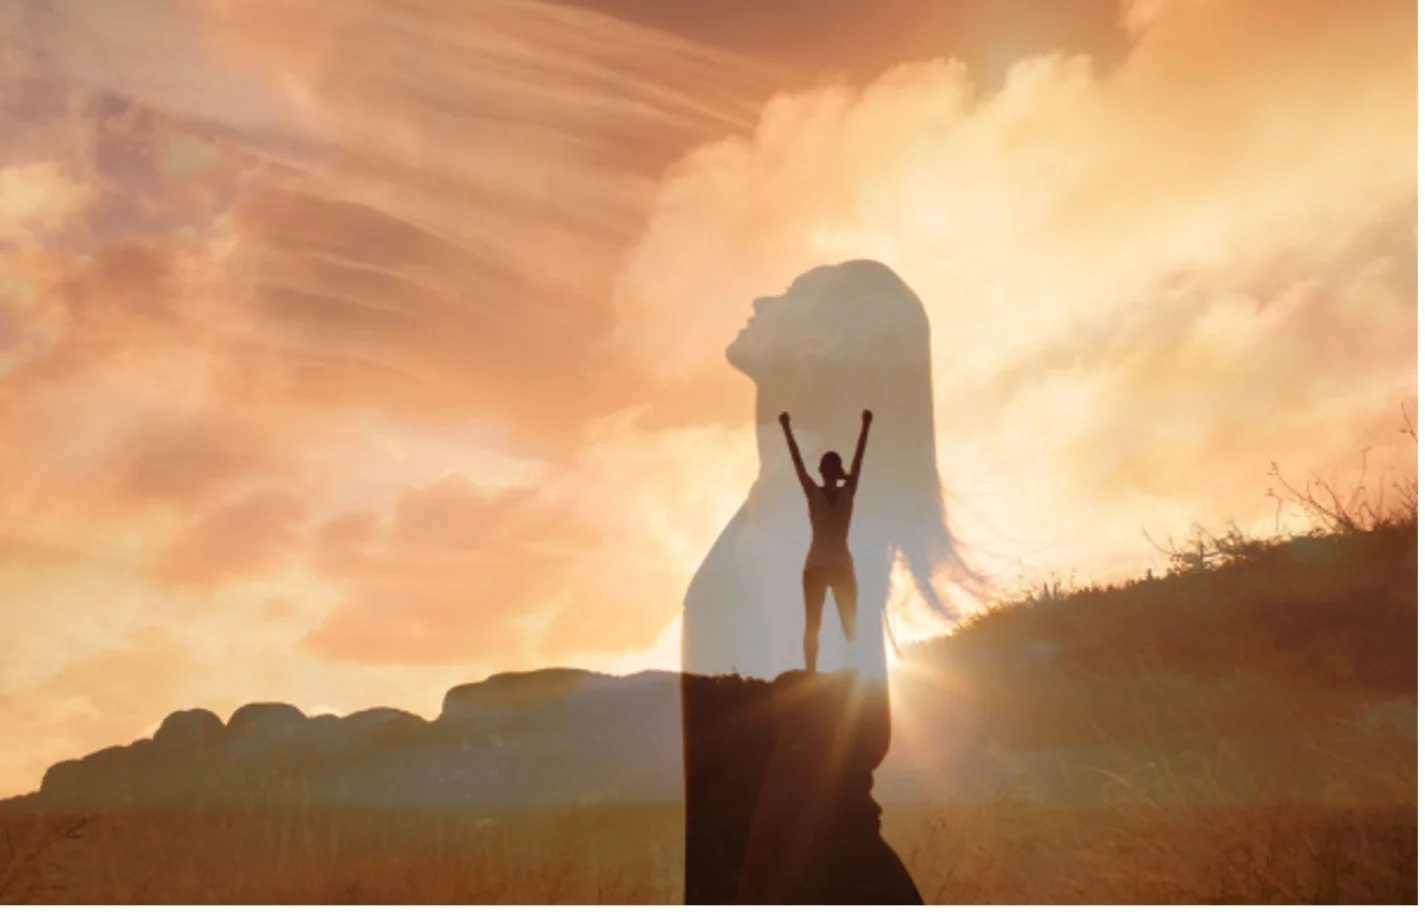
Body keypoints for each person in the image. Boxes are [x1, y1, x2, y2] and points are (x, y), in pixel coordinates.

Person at [778, 408, 872, 673]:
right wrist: (866, 426)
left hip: (815, 566)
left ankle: (810, 673)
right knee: (849, 623)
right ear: (837, 470)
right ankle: (854, 671)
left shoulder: (814, 492)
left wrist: (786, 428)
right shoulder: (847, 492)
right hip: (840, 564)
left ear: (821, 471)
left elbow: (796, 462)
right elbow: (859, 458)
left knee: (812, 624)